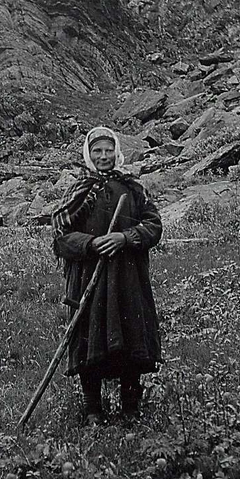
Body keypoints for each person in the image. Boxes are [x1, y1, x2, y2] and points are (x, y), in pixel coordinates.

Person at [52, 126, 162, 425]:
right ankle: (92, 409)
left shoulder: (133, 189)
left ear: (117, 152)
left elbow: (154, 226)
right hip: (90, 277)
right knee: (90, 335)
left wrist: (125, 238)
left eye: (108, 150)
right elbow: (61, 237)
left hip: (127, 278)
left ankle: (130, 405)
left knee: (130, 334)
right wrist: (90, 243)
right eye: (97, 151)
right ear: (88, 154)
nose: (103, 156)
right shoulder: (79, 190)